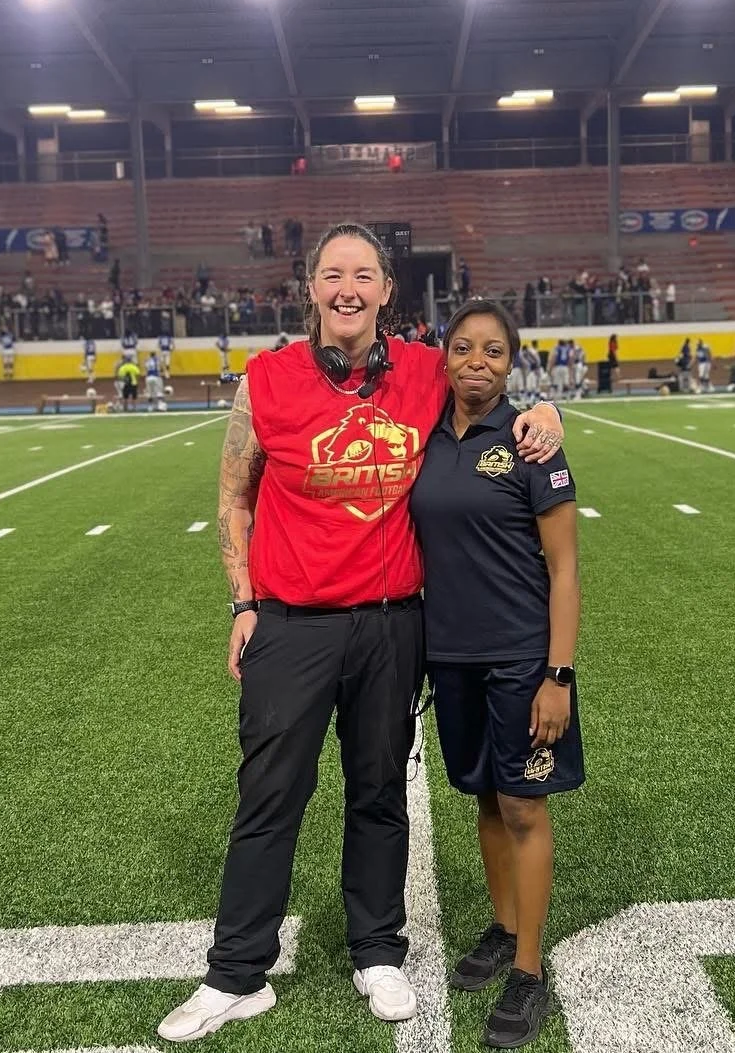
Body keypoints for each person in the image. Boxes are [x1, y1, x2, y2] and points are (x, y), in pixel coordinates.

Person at [157, 222, 564, 1044]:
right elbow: (234, 496)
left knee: (379, 793)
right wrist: (243, 604)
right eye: (333, 273)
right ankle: (237, 972)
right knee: (269, 796)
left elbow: (494, 394)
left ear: (386, 292)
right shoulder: (264, 380)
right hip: (291, 624)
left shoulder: (421, 370)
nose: (348, 288)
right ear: (310, 287)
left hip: (390, 625)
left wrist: (548, 407)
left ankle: (376, 951)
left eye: (365, 274)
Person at [409, 299, 582, 1049]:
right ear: (443, 356)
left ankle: (529, 968)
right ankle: (503, 923)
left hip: (521, 659)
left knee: (523, 808)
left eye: (493, 352)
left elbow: (566, 569)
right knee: (482, 796)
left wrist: (559, 674)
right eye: (463, 348)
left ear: (512, 364)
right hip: (451, 657)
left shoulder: (531, 444)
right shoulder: (425, 441)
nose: (476, 362)